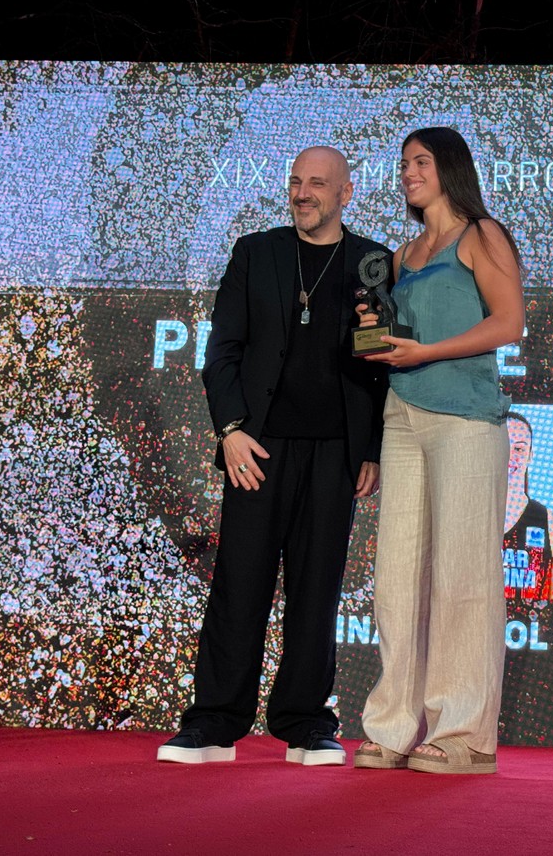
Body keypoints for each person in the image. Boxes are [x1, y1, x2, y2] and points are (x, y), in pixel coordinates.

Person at [157, 146, 389, 766]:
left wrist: (371, 448)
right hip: (256, 448)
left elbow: (378, 367)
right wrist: (230, 430)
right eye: (295, 182)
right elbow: (223, 352)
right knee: (240, 583)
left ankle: (306, 722)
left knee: (318, 590)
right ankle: (213, 722)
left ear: (345, 193)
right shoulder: (255, 252)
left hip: (336, 453)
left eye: (317, 183)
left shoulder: (373, 261)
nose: (302, 193)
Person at [352, 127, 524, 775]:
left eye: (420, 162)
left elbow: (509, 322)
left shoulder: (482, 235)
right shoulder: (402, 254)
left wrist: (427, 351)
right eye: (403, 164)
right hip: (402, 414)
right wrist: (372, 335)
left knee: (462, 574)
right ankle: (393, 726)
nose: (408, 173)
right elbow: (393, 337)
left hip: (466, 418)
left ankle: (464, 735)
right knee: (396, 576)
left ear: (449, 168)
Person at [503, 412, 553, 600]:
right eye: (501, 445)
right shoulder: (463, 522)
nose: (509, 456)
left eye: (518, 449)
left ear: (530, 456)